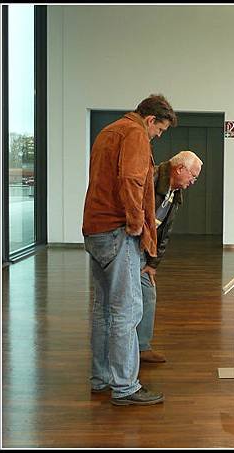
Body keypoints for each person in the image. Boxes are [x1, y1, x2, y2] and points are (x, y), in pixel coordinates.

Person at [82, 94, 177, 406]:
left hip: (95, 230)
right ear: (150, 120)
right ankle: (125, 386)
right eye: (159, 131)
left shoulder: (108, 131)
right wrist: (136, 223)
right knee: (127, 310)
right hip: (117, 232)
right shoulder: (135, 133)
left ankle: (101, 378)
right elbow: (131, 180)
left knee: (103, 309)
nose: (157, 136)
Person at [138, 151, 203, 363]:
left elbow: (164, 232)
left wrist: (152, 264)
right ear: (179, 169)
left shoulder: (175, 194)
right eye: (192, 176)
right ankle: (128, 353)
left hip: (144, 250)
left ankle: (142, 347)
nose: (193, 181)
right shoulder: (151, 179)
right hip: (129, 245)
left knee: (148, 293)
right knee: (127, 302)